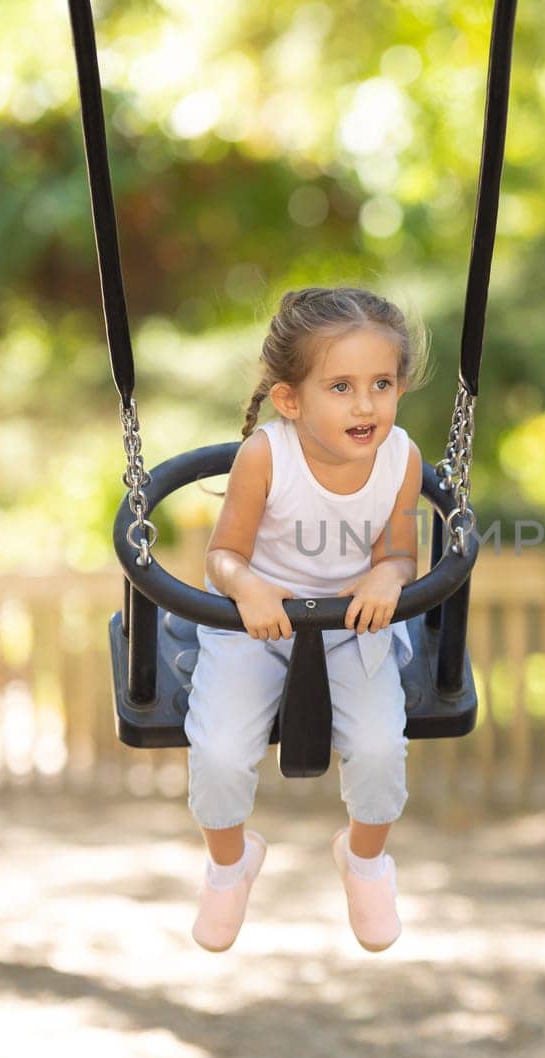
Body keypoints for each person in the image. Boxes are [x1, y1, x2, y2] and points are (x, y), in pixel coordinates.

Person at [185, 286, 429, 954]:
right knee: (218, 753)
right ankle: (230, 863)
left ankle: (366, 859)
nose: (366, 404)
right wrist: (248, 586)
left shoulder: (401, 457)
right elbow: (223, 555)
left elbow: (399, 553)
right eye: (342, 386)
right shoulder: (267, 454)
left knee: (381, 752)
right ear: (290, 399)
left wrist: (390, 573)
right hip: (259, 623)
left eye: (382, 383)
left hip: (355, 625)